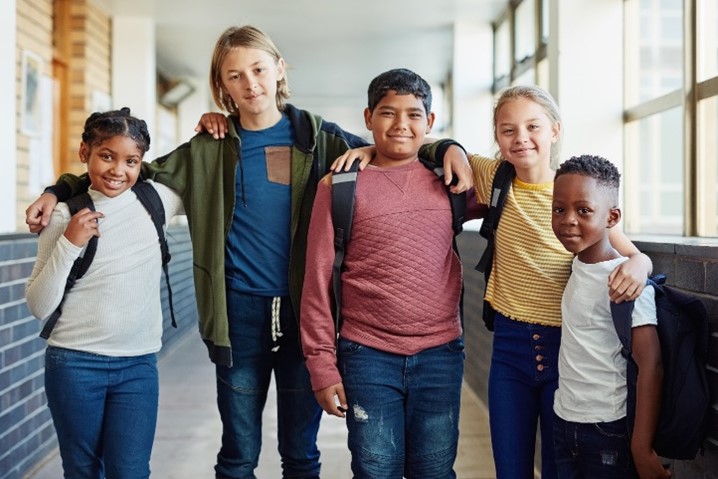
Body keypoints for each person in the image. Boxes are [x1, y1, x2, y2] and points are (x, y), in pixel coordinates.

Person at [24, 26, 471, 479]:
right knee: (238, 453)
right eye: (235, 75)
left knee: (301, 451)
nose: (250, 83)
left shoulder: (323, 139)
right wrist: (59, 188)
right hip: (237, 313)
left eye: (258, 69)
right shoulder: (209, 147)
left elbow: (396, 143)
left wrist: (448, 146)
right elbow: (127, 174)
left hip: (303, 312)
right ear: (223, 85)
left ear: (278, 68)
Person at [467, 85, 654, 479]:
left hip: (564, 355)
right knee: (510, 467)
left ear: (554, 131)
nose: (521, 138)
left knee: (557, 467)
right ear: (497, 137)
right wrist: (447, 148)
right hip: (508, 350)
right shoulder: (492, 178)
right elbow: (428, 143)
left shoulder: (572, 192)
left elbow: (630, 252)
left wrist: (642, 264)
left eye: (533, 126)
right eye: (508, 129)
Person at [300, 68, 476, 479]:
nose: (401, 125)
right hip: (366, 356)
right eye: (387, 113)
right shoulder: (339, 186)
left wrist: (453, 148)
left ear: (430, 123)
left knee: (434, 470)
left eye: (414, 115)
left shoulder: (451, 181)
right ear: (367, 118)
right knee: (375, 469)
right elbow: (317, 281)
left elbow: (515, 172)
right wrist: (322, 365)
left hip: (441, 355)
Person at [25, 108, 183, 478]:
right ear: (85, 153)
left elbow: (207, 174)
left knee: (130, 470)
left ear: (141, 163)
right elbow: (38, 306)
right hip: (75, 365)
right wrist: (68, 243)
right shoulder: (64, 216)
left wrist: (215, 120)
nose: (118, 170)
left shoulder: (158, 201)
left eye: (131, 161)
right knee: (82, 470)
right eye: (106, 156)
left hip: (138, 366)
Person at [551, 154, 669, 479]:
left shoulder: (625, 282)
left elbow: (652, 365)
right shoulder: (577, 264)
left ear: (612, 216)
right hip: (564, 420)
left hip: (607, 430)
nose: (568, 220)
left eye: (583, 210)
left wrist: (641, 449)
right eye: (559, 209)